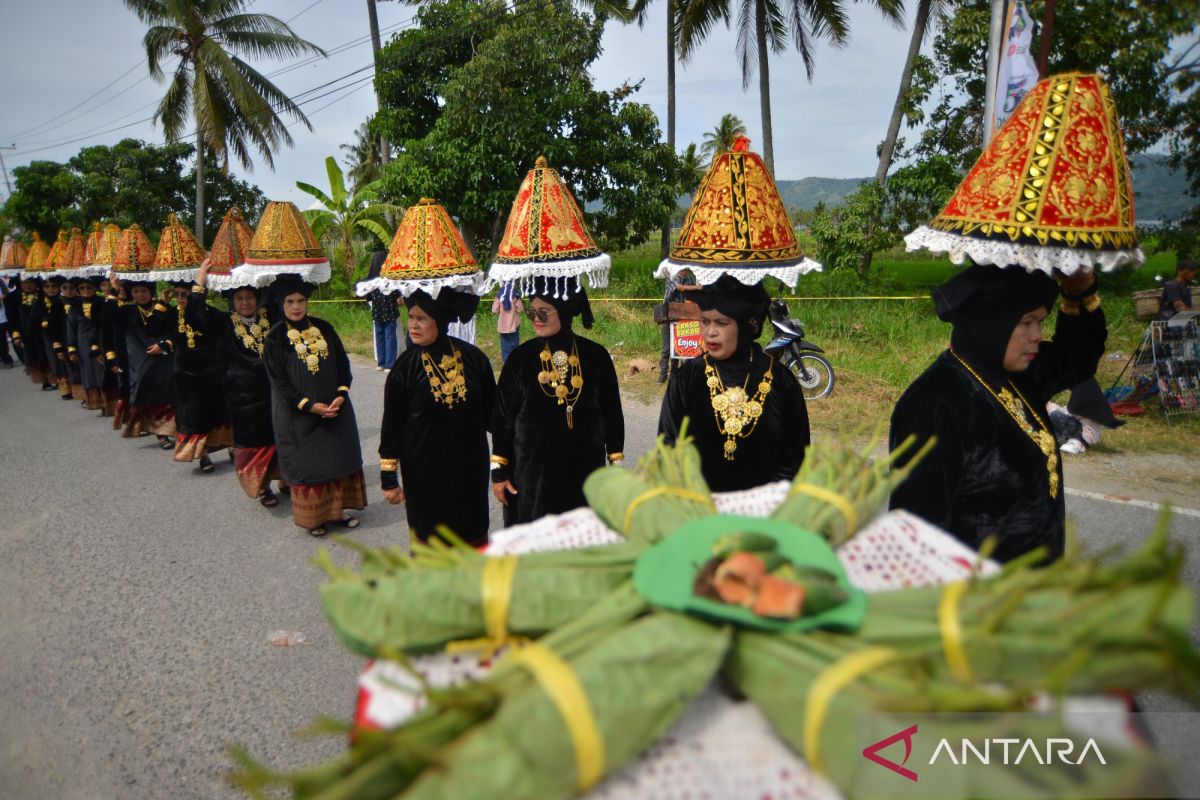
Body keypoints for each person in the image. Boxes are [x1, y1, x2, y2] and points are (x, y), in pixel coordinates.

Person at [889, 264, 1105, 563]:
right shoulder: (936, 404)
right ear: (990, 324)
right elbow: (916, 535)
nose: (1038, 336)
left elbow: (1079, 357)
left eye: (1040, 321)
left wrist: (1080, 290)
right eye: (1027, 322)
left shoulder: (1020, 373)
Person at [491, 276, 624, 526]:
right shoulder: (520, 359)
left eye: (544, 312)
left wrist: (615, 462)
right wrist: (499, 471)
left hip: (585, 474)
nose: (535, 319)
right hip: (531, 480)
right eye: (532, 312)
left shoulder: (596, 357)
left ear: (563, 311)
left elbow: (612, 413)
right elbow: (502, 420)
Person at [659, 275, 810, 491]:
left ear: (748, 324)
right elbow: (668, 449)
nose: (710, 331)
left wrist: (762, 506)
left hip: (763, 514)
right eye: (705, 321)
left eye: (721, 322)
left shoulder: (781, 381)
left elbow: (796, 456)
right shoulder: (686, 379)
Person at [380, 288, 496, 545]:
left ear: (439, 320)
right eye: (410, 317)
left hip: (469, 468)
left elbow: (495, 418)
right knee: (429, 535)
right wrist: (388, 477)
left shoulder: (474, 359)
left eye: (421, 318)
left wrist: (502, 465)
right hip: (423, 472)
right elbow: (392, 426)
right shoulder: (404, 368)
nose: (413, 325)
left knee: (472, 528)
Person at [263, 275, 365, 536]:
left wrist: (341, 395)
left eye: (300, 301)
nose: (296, 306)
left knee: (337, 460)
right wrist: (310, 406)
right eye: (290, 301)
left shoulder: (325, 327)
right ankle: (314, 519)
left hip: (335, 409)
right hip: (298, 415)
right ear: (281, 303)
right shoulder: (275, 338)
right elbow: (280, 382)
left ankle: (338, 512)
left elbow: (343, 365)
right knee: (310, 466)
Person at [189, 261, 287, 506]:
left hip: (274, 392)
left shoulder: (270, 316)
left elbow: (285, 293)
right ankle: (262, 487)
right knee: (254, 444)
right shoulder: (223, 323)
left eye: (250, 297)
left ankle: (285, 478)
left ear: (257, 298)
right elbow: (194, 316)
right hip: (243, 397)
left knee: (281, 437)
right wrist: (201, 281)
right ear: (232, 301)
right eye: (240, 298)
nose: (245, 302)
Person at [166, 283, 233, 473]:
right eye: (177, 295)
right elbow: (154, 329)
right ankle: (202, 454)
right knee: (193, 416)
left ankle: (231, 447)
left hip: (212, 371)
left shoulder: (211, 314)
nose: (180, 299)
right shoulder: (171, 314)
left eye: (185, 295)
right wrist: (162, 303)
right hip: (185, 375)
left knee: (221, 412)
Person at [105, 276, 176, 445]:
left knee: (166, 395)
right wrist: (114, 290)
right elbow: (106, 320)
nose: (140, 295)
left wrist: (164, 345)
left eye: (143, 291)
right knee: (146, 395)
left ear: (150, 291)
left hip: (163, 358)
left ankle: (165, 432)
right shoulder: (126, 311)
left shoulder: (164, 308)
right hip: (138, 361)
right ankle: (157, 432)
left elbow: (174, 331)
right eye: (136, 291)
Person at [66, 277, 107, 410]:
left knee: (104, 369)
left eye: (88, 287)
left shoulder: (103, 303)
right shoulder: (75, 307)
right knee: (89, 372)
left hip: (102, 340)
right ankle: (95, 402)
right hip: (83, 343)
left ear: (95, 288)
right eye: (82, 288)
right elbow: (71, 329)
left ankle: (109, 402)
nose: (86, 290)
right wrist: (72, 349)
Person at [30, 275, 72, 400]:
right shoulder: (39, 303)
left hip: (66, 333)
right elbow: (33, 324)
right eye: (47, 286)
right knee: (57, 361)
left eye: (54, 286)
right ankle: (65, 389)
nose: (51, 289)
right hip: (49, 336)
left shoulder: (65, 300)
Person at [657, 268, 698, 383]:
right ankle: (662, 374)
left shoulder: (690, 278)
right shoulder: (672, 276)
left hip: (684, 314)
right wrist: (698, 287)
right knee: (666, 347)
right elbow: (679, 287)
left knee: (678, 345)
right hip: (668, 313)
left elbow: (692, 295)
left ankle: (674, 374)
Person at [364, 249, 401, 371]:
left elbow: (367, 296)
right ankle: (389, 365)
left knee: (379, 336)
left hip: (377, 311)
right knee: (389, 336)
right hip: (389, 310)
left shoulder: (371, 280)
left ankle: (381, 363)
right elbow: (397, 294)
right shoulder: (389, 278)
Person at [491, 282, 523, 362]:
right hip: (514, 323)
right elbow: (520, 308)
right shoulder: (515, 293)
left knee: (505, 344)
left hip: (503, 324)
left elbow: (494, 309)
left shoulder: (500, 294)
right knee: (515, 343)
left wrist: (500, 312)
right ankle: (515, 360)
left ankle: (506, 361)